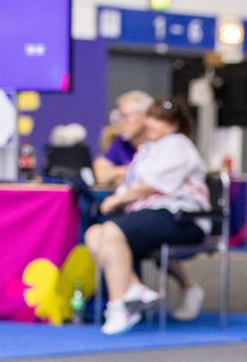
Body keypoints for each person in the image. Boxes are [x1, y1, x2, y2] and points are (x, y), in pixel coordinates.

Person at [85, 98, 210, 335]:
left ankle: (118, 307)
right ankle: (134, 287)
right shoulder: (147, 150)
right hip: (150, 213)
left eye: (161, 120)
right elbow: (130, 180)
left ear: (174, 126)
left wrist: (118, 199)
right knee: (94, 233)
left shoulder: (178, 145)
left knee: (111, 232)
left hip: (182, 216)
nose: (152, 123)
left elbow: (152, 185)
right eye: (151, 117)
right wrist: (121, 194)